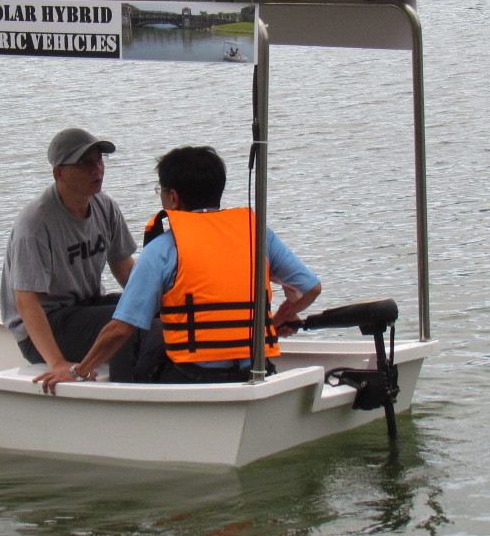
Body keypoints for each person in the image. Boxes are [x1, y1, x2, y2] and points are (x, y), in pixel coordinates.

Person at [35, 145, 320, 394]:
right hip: (257, 371)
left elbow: (121, 329)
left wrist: (77, 371)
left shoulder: (163, 248)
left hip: (194, 377)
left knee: (140, 343)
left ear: (173, 198)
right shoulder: (258, 234)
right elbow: (310, 288)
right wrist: (284, 315)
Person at [1, 126, 143, 382]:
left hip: (83, 309)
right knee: (127, 326)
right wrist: (57, 363)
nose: (96, 169)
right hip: (43, 329)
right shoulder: (36, 223)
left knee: (151, 311)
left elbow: (125, 268)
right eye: (84, 163)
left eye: (99, 159)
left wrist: (160, 299)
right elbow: (26, 302)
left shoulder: (105, 206)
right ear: (60, 173)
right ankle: (127, 397)